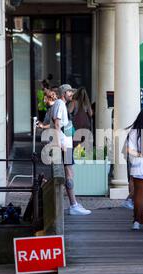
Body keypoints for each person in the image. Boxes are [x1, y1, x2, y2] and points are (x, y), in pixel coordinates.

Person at [51, 84, 92, 216]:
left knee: (70, 172)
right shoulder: (60, 104)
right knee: (69, 173)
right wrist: (59, 144)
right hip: (64, 145)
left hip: (65, 144)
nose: (71, 93)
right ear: (63, 93)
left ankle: (73, 203)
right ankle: (73, 205)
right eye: (69, 91)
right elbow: (57, 124)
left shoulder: (61, 104)